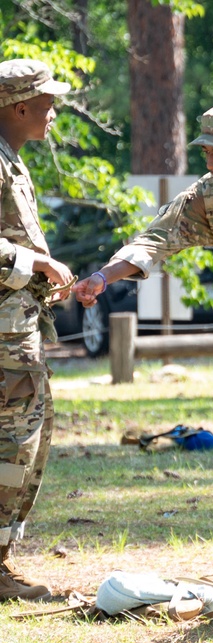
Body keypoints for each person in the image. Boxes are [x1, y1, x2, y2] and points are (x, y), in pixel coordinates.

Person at [72, 103, 213, 590]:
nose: (211, 161)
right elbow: (156, 237)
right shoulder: (209, 193)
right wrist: (102, 275)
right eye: (205, 150)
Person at [0, 59, 74, 602]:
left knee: (28, 437)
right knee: (12, 442)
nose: (54, 111)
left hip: (18, 326)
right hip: (5, 333)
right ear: (19, 106)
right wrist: (36, 266)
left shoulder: (12, 161)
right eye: (47, 102)